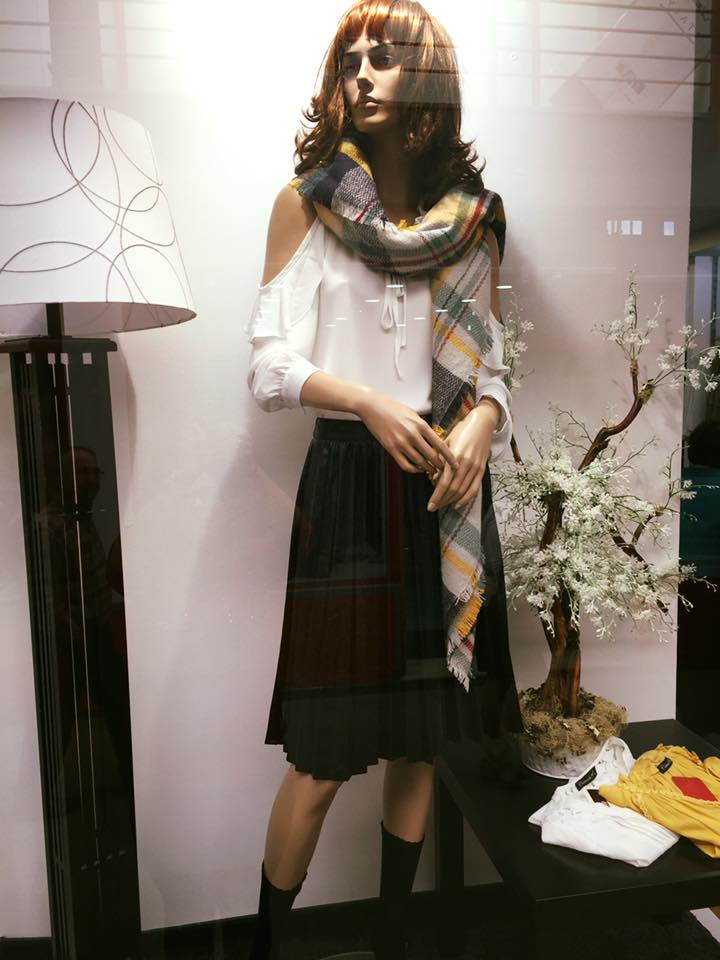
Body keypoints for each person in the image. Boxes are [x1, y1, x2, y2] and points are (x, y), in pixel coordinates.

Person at [244, 2, 524, 957]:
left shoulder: (475, 220)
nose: (361, 72)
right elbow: (266, 368)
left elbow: (492, 362)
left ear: (427, 77)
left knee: (420, 741)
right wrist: (365, 401)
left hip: (443, 493)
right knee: (322, 759)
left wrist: (482, 419)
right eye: (348, 59)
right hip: (351, 496)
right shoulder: (307, 205)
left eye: (385, 55)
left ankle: (396, 938)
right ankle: (266, 947)